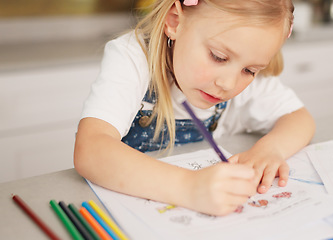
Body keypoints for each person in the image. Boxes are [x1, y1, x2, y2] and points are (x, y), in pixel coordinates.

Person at [74, 0, 315, 216]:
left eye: (249, 71)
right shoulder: (132, 57)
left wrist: (270, 149)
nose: (228, 84)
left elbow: (300, 119)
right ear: (175, 21)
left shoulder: (243, 75)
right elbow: (91, 150)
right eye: (219, 57)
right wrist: (190, 187)